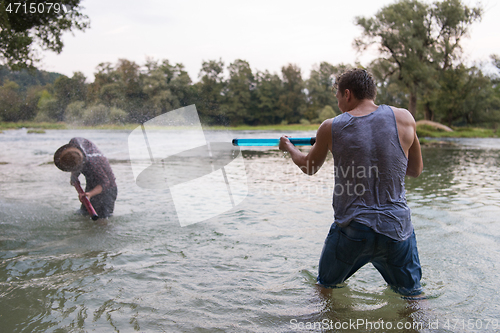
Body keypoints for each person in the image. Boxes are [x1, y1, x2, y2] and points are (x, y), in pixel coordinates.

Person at [279, 69, 423, 296]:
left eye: (337, 98)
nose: (338, 104)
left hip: (353, 230)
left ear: (347, 94)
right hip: (397, 228)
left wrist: (288, 147)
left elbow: (308, 166)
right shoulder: (405, 118)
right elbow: (415, 170)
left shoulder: (330, 127)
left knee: (325, 289)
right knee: (412, 296)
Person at [54, 137, 117, 218]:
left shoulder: (93, 164)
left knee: (102, 219)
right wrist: (74, 176)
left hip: (108, 189)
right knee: (84, 215)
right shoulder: (75, 143)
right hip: (91, 184)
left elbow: (105, 183)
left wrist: (90, 194)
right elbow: (75, 159)